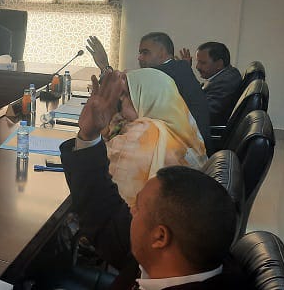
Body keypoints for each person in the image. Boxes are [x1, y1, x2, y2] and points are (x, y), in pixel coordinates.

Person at [60, 70, 248, 289]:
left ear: (159, 237)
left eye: (137, 208)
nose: (129, 210)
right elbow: (106, 215)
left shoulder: (147, 134)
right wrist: (89, 136)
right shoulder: (174, 256)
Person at [87, 33, 211, 151]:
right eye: (140, 53)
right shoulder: (179, 67)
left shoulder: (162, 74)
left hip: (182, 150)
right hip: (190, 145)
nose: (139, 57)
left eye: (145, 52)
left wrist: (105, 66)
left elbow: (119, 91)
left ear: (162, 52)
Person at [101, 68, 206, 206]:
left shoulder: (146, 134)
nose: (120, 100)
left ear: (147, 99)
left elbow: (97, 182)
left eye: (126, 95)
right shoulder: (182, 126)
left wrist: (93, 131)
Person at [179, 42, 242, 126]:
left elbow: (203, 114)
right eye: (198, 62)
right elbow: (199, 93)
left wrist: (186, 74)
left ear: (219, 64)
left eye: (203, 63)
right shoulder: (223, 76)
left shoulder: (226, 82)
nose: (197, 67)